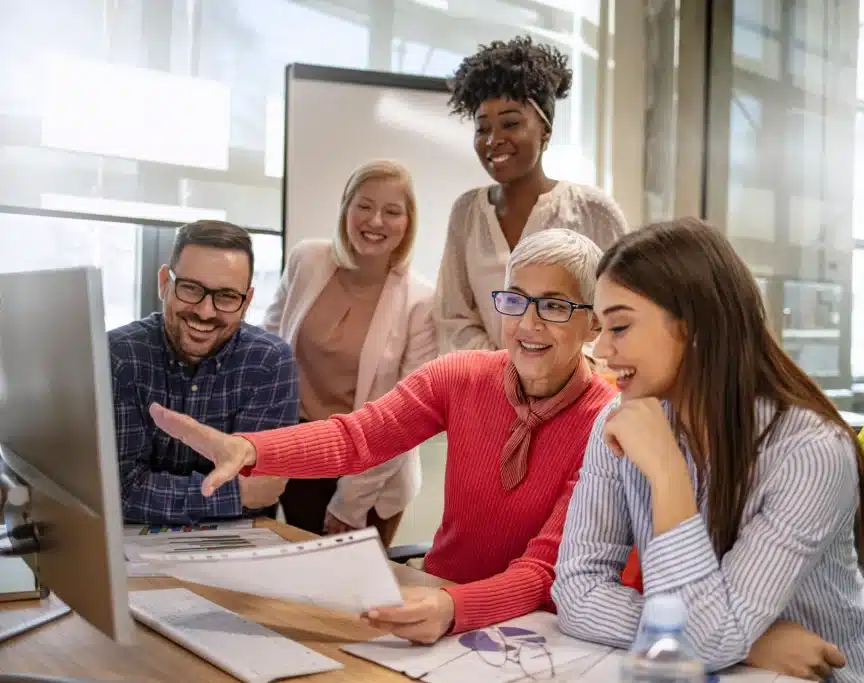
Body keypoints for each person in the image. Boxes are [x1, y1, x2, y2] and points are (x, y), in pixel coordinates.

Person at [147, 229, 617, 643]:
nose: (528, 324)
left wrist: (456, 609)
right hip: (437, 599)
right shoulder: (462, 376)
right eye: (515, 299)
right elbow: (357, 438)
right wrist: (251, 449)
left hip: (536, 629)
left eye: (554, 306)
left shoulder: (607, 421)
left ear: (594, 321)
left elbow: (542, 573)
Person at [551, 219, 864, 683]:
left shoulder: (810, 451)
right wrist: (749, 641)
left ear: (694, 327)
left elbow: (706, 640)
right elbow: (577, 593)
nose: (599, 350)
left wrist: (666, 472)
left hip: (835, 674)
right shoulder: (619, 423)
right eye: (600, 328)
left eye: (618, 326)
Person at [264, 160, 436, 544]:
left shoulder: (421, 301)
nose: (375, 221)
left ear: (409, 223)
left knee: (353, 597)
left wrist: (351, 502)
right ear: (346, 207)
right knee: (297, 588)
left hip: (371, 472)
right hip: (300, 452)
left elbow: (406, 416)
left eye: (392, 212)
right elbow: (267, 349)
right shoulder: (307, 259)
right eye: (364, 205)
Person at [435, 35, 630, 353]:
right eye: (482, 128)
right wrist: (506, 372)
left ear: (546, 131)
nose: (493, 140)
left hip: (577, 393)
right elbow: (453, 316)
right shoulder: (467, 212)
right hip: (487, 391)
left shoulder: (593, 211)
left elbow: (620, 312)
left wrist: (554, 374)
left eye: (510, 124)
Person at [109, 220, 299, 525]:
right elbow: (120, 491)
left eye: (225, 296)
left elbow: (262, 492)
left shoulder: (270, 362)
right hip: (132, 549)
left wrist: (159, 492)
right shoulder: (119, 356)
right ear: (164, 283)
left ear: (247, 301)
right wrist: (234, 494)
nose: (205, 311)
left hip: (235, 548)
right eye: (191, 288)